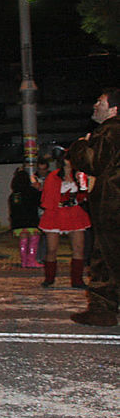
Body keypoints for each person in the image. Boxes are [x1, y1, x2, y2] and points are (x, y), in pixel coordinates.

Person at [67, 88, 120, 325]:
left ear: (114, 109)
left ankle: (102, 309)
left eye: (100, 102)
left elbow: (93, 162)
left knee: (106, 256)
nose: (95, 106)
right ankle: (103, 308)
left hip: (113, 204)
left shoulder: (111, 130)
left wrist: (78, 147)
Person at [38, 153, 90, 288]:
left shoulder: (79, 176)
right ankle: (49, 278)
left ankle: (77, 280)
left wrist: (83, 187)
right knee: (52, 249)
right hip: (55, 212)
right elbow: (48, 197)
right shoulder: (53, 176)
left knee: (79, 248)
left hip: (74, 212)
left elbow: (84, 194)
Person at [8, 167, 42, 268]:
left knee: (23, 239)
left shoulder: (14, 195)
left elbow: (13, 209)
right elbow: (40, 202)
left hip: (18, 222)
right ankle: (31, 260)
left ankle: (24, 261)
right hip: (31, 220)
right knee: (33, 239)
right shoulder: (32, 191)